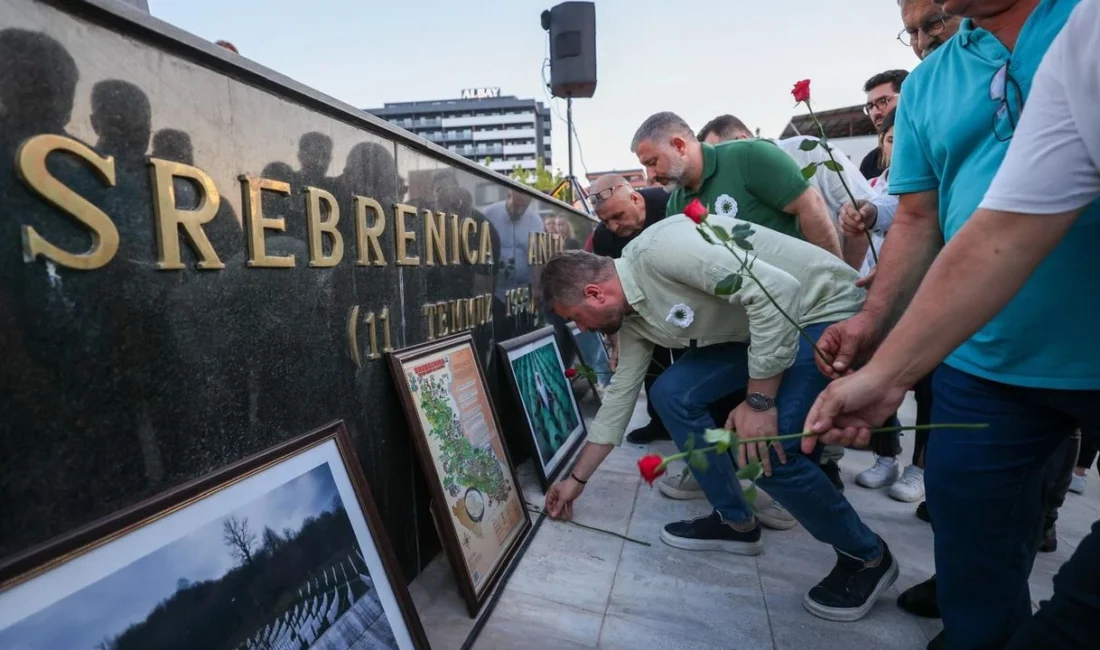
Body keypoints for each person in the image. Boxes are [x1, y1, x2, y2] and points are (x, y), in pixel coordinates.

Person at [802, 0, 1100, 647]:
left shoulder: (1080, 24)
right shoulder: (935, 82)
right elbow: (992, 227)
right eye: (904, 27)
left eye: (921, 24)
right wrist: (883, 353)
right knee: (970, 544)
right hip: (979, 356)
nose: (915, 28)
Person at [541, 216, 899, 623]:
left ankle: (867, 556)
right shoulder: (632, 315)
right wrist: (577, 479)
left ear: (594, 293)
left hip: (817, 310)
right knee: (671, 393)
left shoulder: (663, 250)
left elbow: (780, 289)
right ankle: (735, 520)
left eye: (576, 317)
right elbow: (621, 398)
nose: (581, 328)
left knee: (762, 447)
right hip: (758, 328)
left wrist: (760, 403)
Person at [630, 112, 843, 260]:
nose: (651, 175)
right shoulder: (676, 205)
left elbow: (811, 206)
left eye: (652, 162)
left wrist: (837, 282)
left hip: (807, 297)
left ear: (679, 146)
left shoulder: (749, 156)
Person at [696, 114, 876, 271]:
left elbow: (862, 215)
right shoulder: (732, 185)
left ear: (740, 140)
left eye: (720, 152)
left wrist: (848, 281)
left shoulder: (809, 151)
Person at [857, 70, 907, 180]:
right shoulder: (870, 162)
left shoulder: (932, 147)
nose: (875, 113)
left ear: (907, 96)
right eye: (870, 107)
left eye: (883, 101)